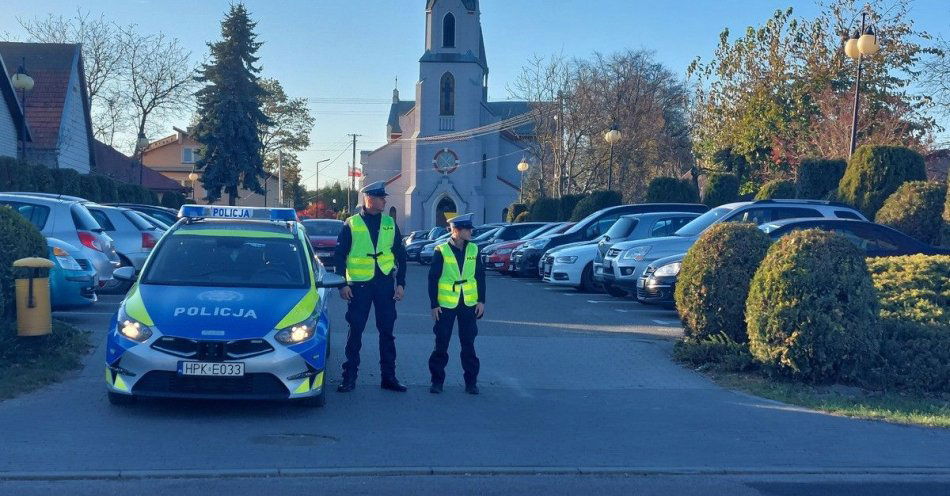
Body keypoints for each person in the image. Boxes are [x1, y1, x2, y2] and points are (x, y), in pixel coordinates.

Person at [334, 181, 408, 393]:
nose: (385, 200)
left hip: (384, 283)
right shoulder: (351, 223)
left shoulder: (389, 223)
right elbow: (339, 256)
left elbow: (401, 256)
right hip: (359, 286)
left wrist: (401, 284)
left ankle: (389, 377)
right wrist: (342, 284)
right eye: (380, 197)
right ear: (368, 199)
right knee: (355, 331)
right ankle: (349, 378)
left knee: (387, 332)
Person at [427, 213, 486, 395]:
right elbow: (433, 278)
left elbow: (480, 276)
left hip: (468, 303)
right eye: (467, 229)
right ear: (456, 230)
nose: (470, 232)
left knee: (468, 343)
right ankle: (437, 382)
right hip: (446, 304)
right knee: (441, 343)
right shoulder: (441, 250)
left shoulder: (474, 249)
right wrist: (434, 304)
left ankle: (471, 383)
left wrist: (481, 301)